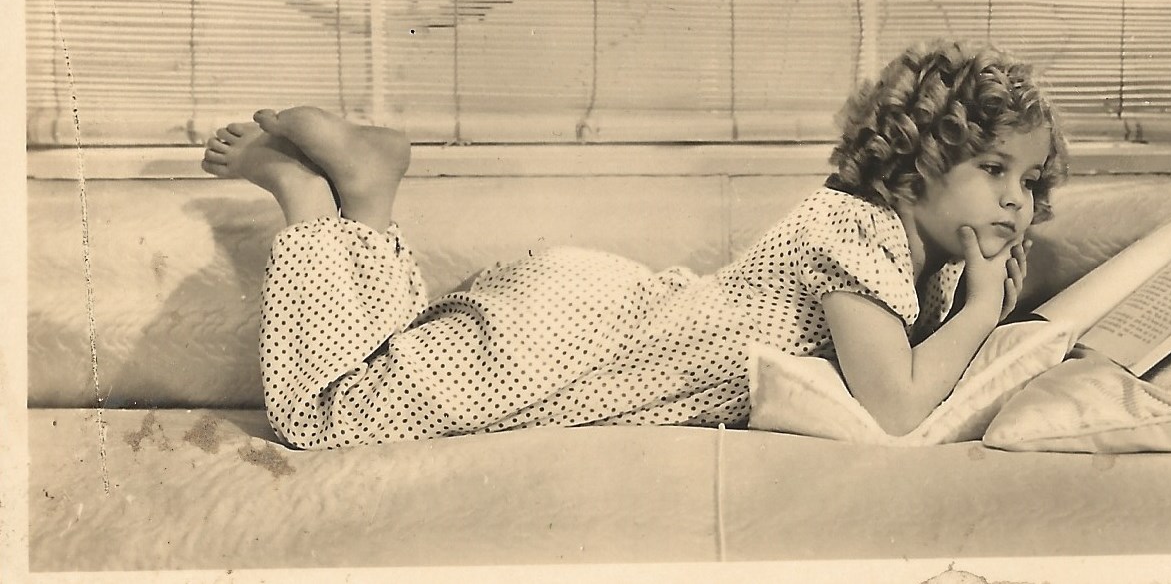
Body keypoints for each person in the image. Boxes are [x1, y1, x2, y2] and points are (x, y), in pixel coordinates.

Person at [202, 41, 1068, 449]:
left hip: (589, 317)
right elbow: (896, 408)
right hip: (578, 340)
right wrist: (984, 311)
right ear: (916, 162)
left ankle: (366, 198)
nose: (1015, 200)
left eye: (1029, 182)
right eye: (993, 169)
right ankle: (306, 200)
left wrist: (972, 297)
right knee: (327, 419)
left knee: (384, 361)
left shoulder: (923, 264)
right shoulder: (860, 232)